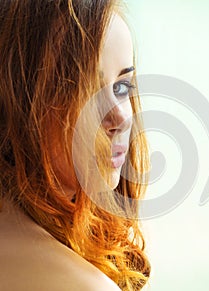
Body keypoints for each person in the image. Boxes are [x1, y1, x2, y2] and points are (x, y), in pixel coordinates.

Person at [0, 0, 150, 290]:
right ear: (18, 101)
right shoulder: (81, 284)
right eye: (82, 90)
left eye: (121, 87)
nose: (120, 118)